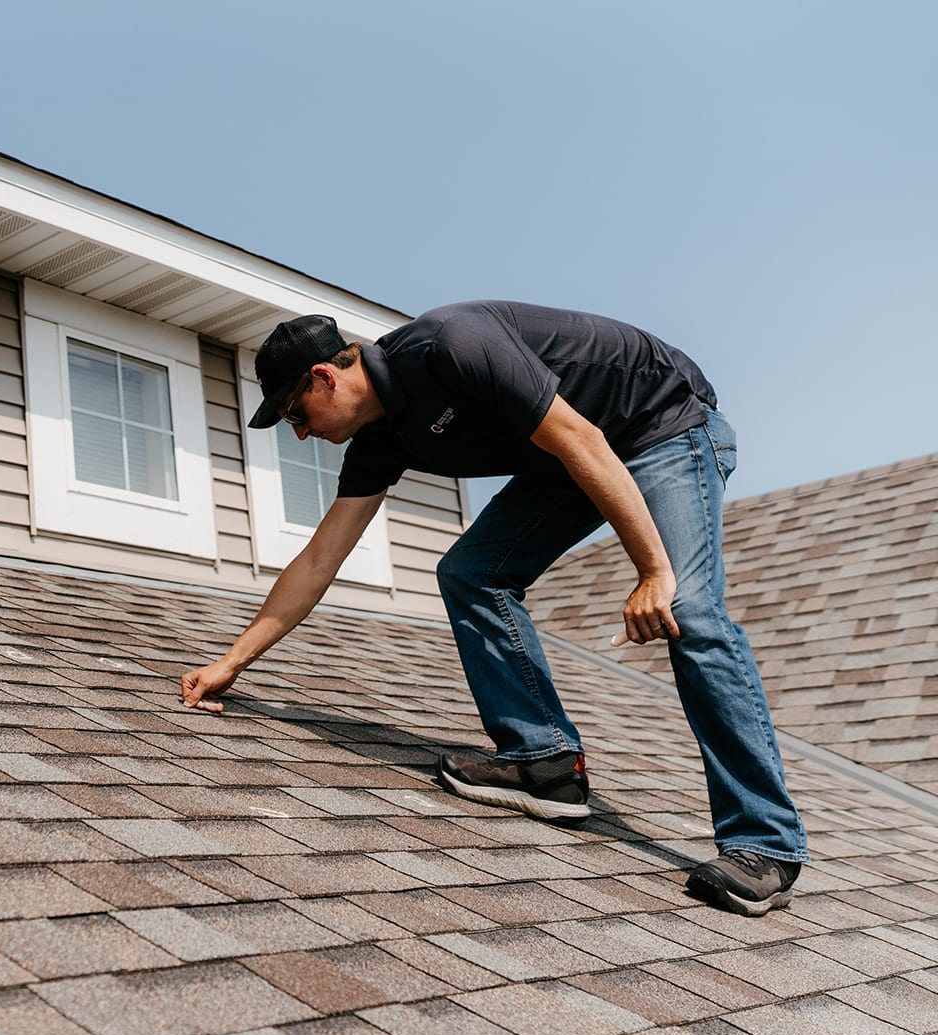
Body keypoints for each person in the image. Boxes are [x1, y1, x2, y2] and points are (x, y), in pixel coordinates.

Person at [180, 302, 808, 916]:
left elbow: (582, 437)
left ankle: (766, 845)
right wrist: (232, 662)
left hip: (662, 427)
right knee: (471, 572)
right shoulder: (380, 438)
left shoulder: (452, 344)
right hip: (571, 456)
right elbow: (319, 560)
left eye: (294, 412)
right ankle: (544, 762)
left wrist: (652, 571)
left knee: (692, 612)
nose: (299, 431)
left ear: (325, 377)